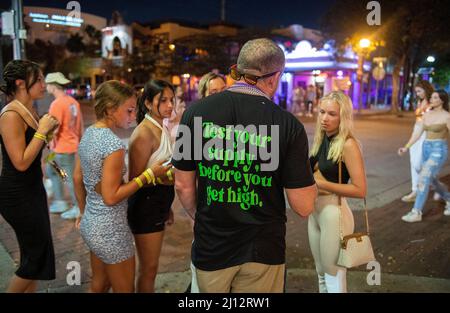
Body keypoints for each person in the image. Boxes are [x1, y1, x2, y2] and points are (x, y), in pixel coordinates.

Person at [172, 38, 317, 293]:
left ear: (237, 69)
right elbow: (303, 206)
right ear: (274, 77)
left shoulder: (194, 113)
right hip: (263, 249)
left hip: (212, 244)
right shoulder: (289, 125)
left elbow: (183, 185)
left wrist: (204, 215)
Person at [73, 80, 170, 292]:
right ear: (109, 109)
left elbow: (77, 178)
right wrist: (149, 175)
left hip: (92, 223)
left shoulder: (89, 134)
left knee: (99, 284)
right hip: (111, 229)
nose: (133, 115)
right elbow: (111, 196)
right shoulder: (113, 146)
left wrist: (82, 212)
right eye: (129, 110)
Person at [0, 60, 59, 292]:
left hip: (32, 189)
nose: (44, 84)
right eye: (40, 79)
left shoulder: (29, 110)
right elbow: (21, 162)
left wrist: (46, 132)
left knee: (35, 258)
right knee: (35, 258)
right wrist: (42, 131)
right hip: (17, 194)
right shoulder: (11, 114)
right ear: (21, 83)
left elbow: (34, 149)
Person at [308, 91, 367, 293]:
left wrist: (321, 184)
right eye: (322, 112)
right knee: (321, 273)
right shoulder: (321, 139)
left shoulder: (348, 144)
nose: (325, 118)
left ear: (343, 116)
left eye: (332, 114)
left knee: (334, 275)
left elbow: (360, 190)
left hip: (335, 213)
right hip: (314, 213)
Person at [127, 79, 176, 292]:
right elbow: (134, 181)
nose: (170, 105)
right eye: (163, 100)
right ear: (148, 103)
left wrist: (168, 206)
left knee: (151, 268)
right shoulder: (144, 133)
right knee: (149, 269)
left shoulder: (160, 126)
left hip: (158, 204)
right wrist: (160, 178)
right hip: (145, 207)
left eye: (172, 100)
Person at [398, 90, 450, 222]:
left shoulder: (446, 116)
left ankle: (416, 212)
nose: (431, 100)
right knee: (430, 178)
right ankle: (448, 198)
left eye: (435, 98)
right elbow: (417, 133)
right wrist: (406, 147)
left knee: (424, 177)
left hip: (438, 150)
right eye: (431, 97)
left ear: (442, 100)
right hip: (426, 148)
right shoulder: (426, 115)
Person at [45, 72, 84, 219]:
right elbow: (79, 126)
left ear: (53, 86)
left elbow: (53, 128)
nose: (46, 87)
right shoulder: (73, 102)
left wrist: (47, 141)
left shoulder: (57, 104)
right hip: (68, 147)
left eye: (48, 84)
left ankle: (78, 207)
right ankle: (61, 201)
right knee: (52, 170)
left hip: (61, 149)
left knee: (67, 178)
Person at [401, 80, 436, 203]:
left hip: (426, 134)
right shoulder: (420, 101)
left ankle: (432, 184)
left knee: (418, 163)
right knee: (412, 162)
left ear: (426, 90)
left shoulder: (434, 102)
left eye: (419, 91)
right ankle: (415, 190)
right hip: (416, 132)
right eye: (416, 91)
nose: (417, 94)